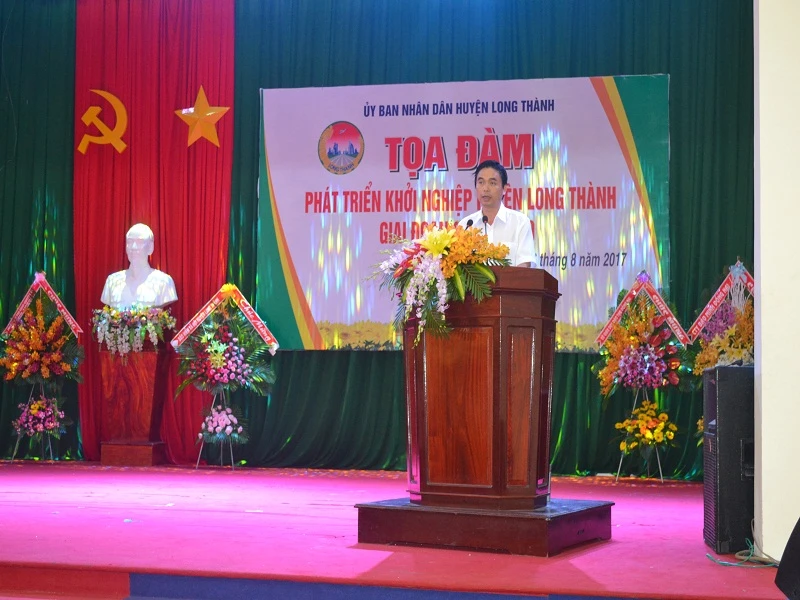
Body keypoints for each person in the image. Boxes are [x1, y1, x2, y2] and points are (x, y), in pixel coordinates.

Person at [458, 160, 535, 267]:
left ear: (505, 189)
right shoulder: (465, 226)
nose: (485, 188)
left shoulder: (520, 222)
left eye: (492, 183)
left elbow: (524, 265)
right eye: (481, 182)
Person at [100, 223, 178, 309]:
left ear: (150, 247)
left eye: (140, 242)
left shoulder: (164, 281)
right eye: (130, 242)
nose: (133, 247)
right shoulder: (112, 281)